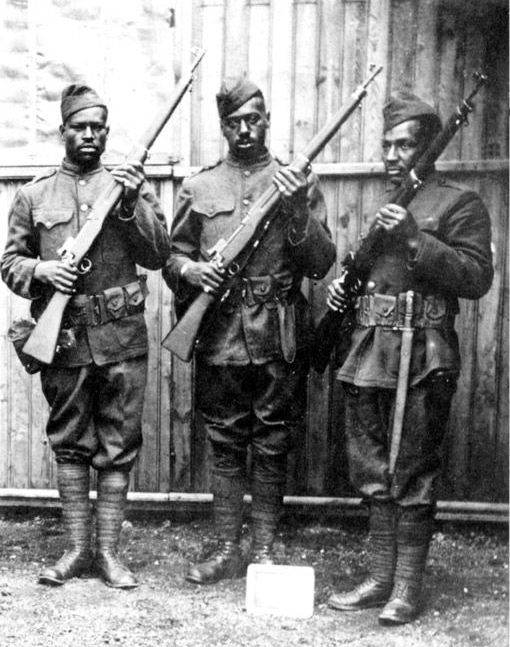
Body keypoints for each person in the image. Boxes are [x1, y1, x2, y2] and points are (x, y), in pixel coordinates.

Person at [326, 93, 493, 624]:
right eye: (387, 144)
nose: (393, 154)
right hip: (370, 349)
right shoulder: (386, 201)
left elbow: (476, 278)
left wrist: (415, 237)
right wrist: (343, 293)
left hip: (423, 353)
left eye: (405, 145)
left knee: (414, 470)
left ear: (428, 149)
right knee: (371, 466)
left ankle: (407, 587)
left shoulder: (458, 203)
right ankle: (379, 577)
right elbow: (374, 277)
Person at [163, 77, 336, 584]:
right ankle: (225, 548)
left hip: (277, 334)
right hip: (218, 333)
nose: (245, 129)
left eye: (253, 119)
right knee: (224, 440)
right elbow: (173, 257)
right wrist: (192, 273)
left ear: (266, 121)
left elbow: (321, 262)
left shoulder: (296, 181)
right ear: (223, 127)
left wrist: (299, 208)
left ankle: (261, 549)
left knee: (273, 438)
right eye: (234, 122)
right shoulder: (199, 186)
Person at [1, 84, 171, 589]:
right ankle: (77, 550)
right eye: (80, 126)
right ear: (64, 132)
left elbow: (159, 254)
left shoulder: (127, 187)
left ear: (107, 132)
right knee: (72, 442)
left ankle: (110, 555)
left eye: (98, 127)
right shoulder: (34, 195)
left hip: (120, 338)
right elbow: (8, 263)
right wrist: (43, 272)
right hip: (66, 339)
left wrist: (133, 200)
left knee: (118, 445)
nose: (90, 135)